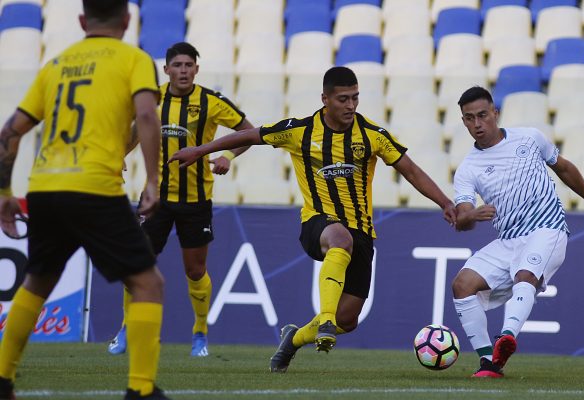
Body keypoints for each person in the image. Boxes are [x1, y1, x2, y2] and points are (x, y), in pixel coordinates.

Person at [167, 66, 457, 372]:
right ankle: (325, 320)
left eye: (355, 98)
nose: (351, 105)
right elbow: (250, 135)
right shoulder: (300, 130)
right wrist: (200, 150)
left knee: (349, 320)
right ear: (325, 99)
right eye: (343, 99)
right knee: (339, 241)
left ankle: (294, 339)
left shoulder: (372, 135)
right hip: (318, 224)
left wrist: (445, 202)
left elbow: (410, 170)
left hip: (362, 232)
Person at [0, 1, 170, 399]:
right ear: (128, 21)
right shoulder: (134, 59)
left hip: (44, 187)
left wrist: (4, 192)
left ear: (82, 21)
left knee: (38, 280)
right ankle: (141, 389)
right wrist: (153, 180)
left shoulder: (56, 64)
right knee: (147, 283)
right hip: (93, 186)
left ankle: (3, 378)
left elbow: (10, 131)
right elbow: (146, 116)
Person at [450, 87, 584, 378]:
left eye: (482, 115)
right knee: (462, 285)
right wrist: (472, 215)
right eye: (469, 119)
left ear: (495, 113)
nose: (477, 124)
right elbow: (463, 216)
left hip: (547, 228)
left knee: (525, 276)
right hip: (508, 240)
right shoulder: (468, 168)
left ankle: (506, 339)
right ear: (464, 122)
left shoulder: (529, 137)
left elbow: (564, 168)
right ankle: (487, 363)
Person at [107, 42, 255, 358]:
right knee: (137, 263)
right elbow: (135, 130)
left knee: (195, 270)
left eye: (189, 65)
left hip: (196, 200)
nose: (183, 71)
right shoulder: (154, 99)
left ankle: (200, 332)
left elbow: (248, 132)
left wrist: (227, 154)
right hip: (156, 197)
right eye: (178, 65)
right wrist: (119, 155)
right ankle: (126, 328)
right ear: (167, 70)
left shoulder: (211, 101)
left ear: (196, 70)